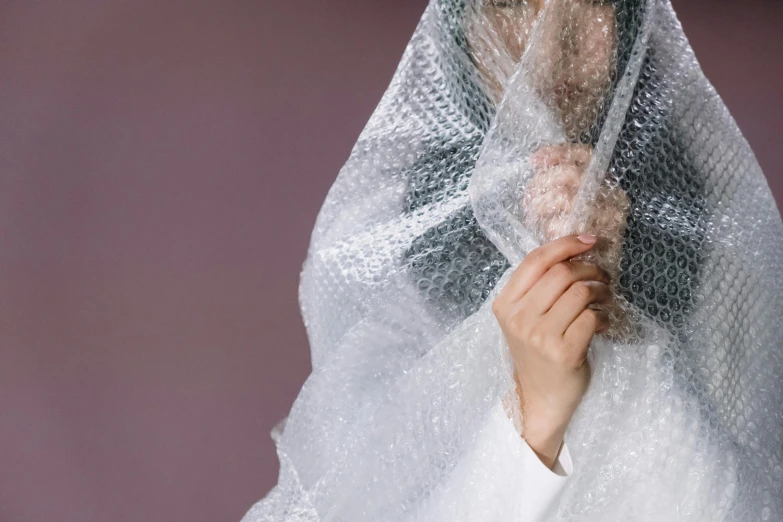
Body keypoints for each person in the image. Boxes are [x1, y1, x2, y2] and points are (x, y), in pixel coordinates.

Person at [242, 0, 783, 520]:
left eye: (593, 0)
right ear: (457, 27)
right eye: (506, 2)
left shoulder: (727, 251)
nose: (552, 44)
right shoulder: (385, 255)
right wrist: (534, 415)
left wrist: (616, 326)